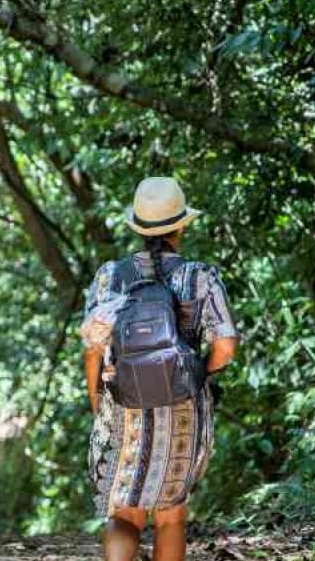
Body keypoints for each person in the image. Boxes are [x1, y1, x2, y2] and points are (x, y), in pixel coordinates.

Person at [82, 177, 239, 561]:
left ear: (137, 227)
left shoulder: (111, 276)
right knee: (170, 517)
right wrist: (197, 375)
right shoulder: (200, 276)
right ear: (181, 225)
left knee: (124, 513)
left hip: (123, 405)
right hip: (183, 407)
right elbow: (226, 346)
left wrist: (95, 398)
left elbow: (92, 347)